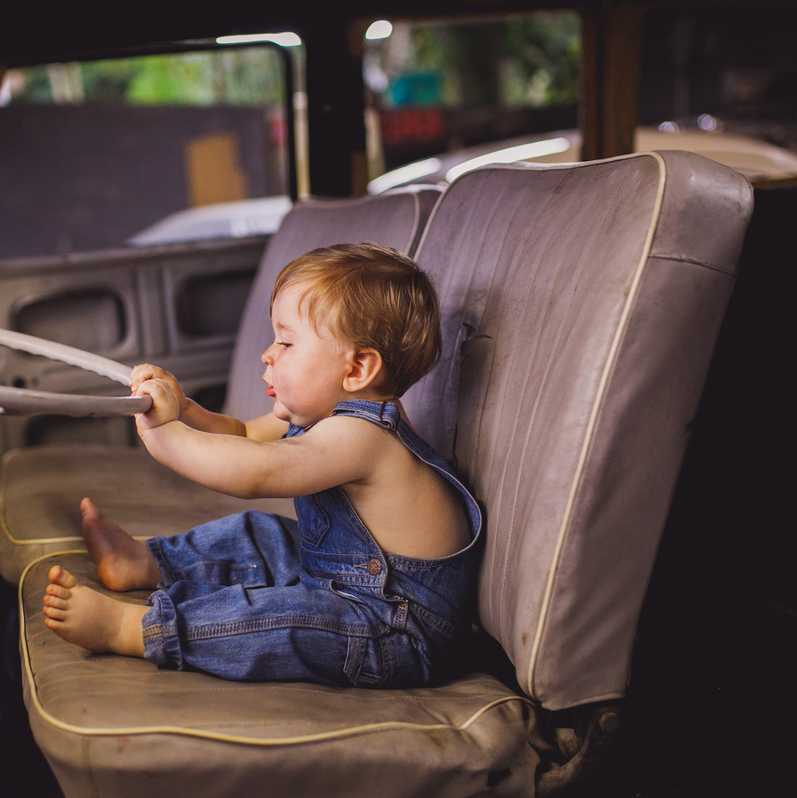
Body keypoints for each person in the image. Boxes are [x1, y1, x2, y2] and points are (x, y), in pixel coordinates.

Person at [42, 243, 483, 688]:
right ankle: (145, 562)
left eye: (287, 342)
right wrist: (185, 409)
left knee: (288, 617)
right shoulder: (327, 417)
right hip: (343, 582)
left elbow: (258, 472)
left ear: (358, 369)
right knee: (262, 534)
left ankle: (133, 629)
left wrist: (163, 434)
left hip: (395, 630)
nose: (267, 354)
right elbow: (244, 436)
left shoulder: (363, 437)